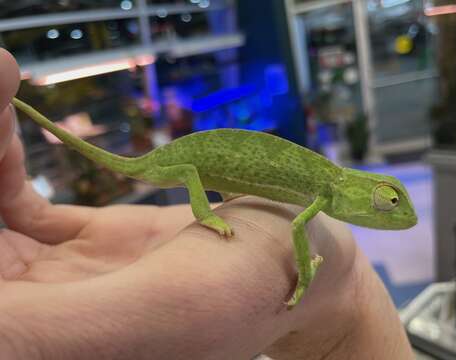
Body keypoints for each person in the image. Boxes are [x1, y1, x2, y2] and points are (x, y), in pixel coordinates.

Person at [0, 48, 414, 359]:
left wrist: (346, 293)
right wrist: (305, 276)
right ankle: (204, 213)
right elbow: (294, 228)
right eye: (387, 200)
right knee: (193, 172)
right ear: (364, 189)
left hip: (199, 161)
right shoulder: (325, 186)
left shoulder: (325, 188)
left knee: (212, 173)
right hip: (182, 161)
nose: (390, 209)